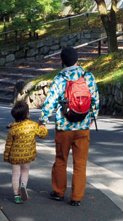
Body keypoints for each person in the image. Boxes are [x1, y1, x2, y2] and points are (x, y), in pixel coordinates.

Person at [39, 47, 99, 206]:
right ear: (77, 59)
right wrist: (92, 117)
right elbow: (95, 100)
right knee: (80, 164)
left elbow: (50, 101)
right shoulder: (88, 77)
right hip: (83, 127)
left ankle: (58, 192)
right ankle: (76, 197)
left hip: (64, 127)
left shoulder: (60, 78)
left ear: (62, 62)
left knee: (61, 159)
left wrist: (43, 120)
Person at [3, 100, 48, 204]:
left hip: (15, 156)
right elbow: (42, 134)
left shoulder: (13, 129)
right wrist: (43, 126)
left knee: (15, 174)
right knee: (25, 171)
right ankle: (23, 185)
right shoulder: (33, 125)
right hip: (27, 155)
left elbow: (8, 145)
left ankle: (16, 196)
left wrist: (6, 157)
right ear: (27, 114)